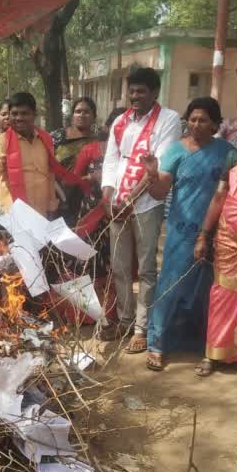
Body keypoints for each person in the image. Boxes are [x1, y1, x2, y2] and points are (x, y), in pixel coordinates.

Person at [99, 69, 181, 351]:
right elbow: (110, 161)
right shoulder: (121, 122)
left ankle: (141, 328)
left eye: (141, 91)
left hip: (147, 204)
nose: (135, 96)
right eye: (132, 91)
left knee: (146, 269)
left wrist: (128, 201)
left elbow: (156, 167)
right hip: (118, 203)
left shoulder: (168, 120)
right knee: (120, 267)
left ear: (155, 92)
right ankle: (124, 319)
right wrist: (109, 196)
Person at [144, 98, 229, 370]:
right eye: (192, 119)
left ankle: (208, 346)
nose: (196, 124)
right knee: (170, 286)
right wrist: (151, 174)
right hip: (182, 232)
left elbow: (231, 192)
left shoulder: (228, 153)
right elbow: (159, 192)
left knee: (211, 291)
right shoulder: (175, 152)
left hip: (219, 233)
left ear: (215, 124)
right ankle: (156, 344)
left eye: (203, 120)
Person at [0, 91, 83, 219]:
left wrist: (52, 205)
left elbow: (49, 174)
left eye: (24, 113)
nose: (19, 118)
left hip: (41, 212)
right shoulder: (2, 141)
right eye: (14, 114)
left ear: (34, 114)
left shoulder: (45, 139)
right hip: (12, 213)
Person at [197, 162, 237, 376]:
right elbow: (218, 198)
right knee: (222, 294)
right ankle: (212, 352)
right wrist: (204, 235)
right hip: (228, 240)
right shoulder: (232, 168)